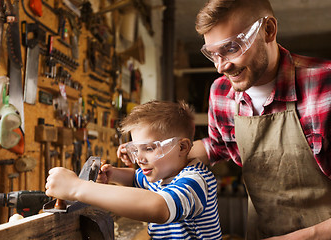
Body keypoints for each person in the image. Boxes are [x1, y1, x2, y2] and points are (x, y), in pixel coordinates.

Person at [118, 0, 331, 239]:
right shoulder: (221, 93)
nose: (221, 67)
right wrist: (151, 150)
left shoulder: (325, 86)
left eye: (231, 48)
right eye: (212, 54)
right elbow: (217, 148)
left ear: (268, 30)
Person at [46, 100, 222, 240]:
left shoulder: (196, 181)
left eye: (149, 149)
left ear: (182, 148)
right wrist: (113, 174)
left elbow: (159, 207)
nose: (139, 158)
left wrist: (77, 188)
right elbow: (135, 178)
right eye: (135, 149)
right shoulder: (162, 174)